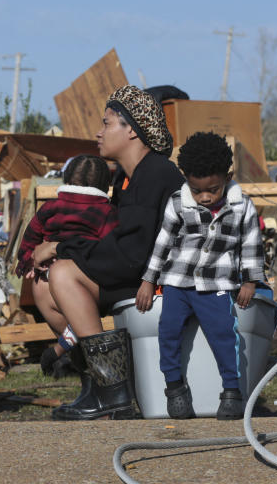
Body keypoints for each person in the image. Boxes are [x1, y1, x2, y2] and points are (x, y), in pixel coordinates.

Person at [31, 85, 184, 420]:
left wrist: (60, 247)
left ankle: (112, 392)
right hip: (135, 273)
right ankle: (95, 383)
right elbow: (119, 247)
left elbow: (130, 254)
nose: (98, 133)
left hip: (157, 282)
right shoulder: (128, 178)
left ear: (131, 129)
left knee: (61, 273)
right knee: (43, 285)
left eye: (107, 123)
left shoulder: (156, 174)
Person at [135, 131, 267, 420]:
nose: (205, 197)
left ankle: (231, 392)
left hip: (216, 283)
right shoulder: (178, 203)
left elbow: (251, 245)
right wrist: (149, 280)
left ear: (227, 176)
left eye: (213, 189)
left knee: (225, 335)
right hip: (176, 282)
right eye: (197, 191)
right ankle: (174, 387)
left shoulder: (241, 206)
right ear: (187, 181)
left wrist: (250, 280)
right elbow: (163, 243)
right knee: (168, 333)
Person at [13, 155, 118, 379]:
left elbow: (30, 237)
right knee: (71, 307)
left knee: (41, 287)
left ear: (66, 179)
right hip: (90, 278)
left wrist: (28, 262)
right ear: (103, 184)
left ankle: (73, 350)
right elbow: (110, 249)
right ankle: (75, 349)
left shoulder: (50, 207)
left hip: (53, 278)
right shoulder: (106, 212)